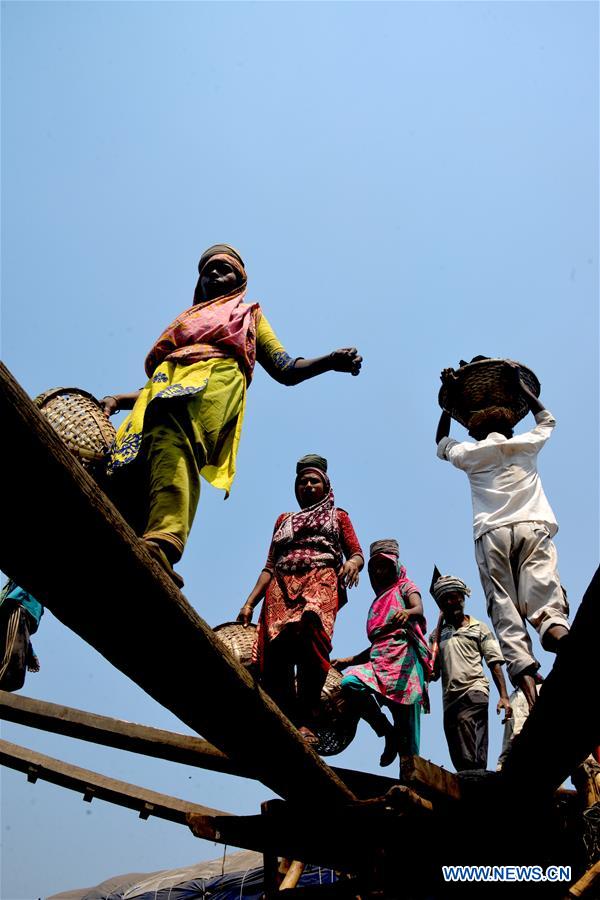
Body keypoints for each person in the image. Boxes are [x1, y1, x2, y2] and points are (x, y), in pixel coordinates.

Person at [101, 245, 362, 586]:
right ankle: (128, 536)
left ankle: (165, 541)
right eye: (206, 270)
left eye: (223, 269)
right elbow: (155, 388)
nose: (213, 273)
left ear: (240, 280)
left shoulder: (249, 316)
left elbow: (285, 368)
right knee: (129, 462)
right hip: (161, 390)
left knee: (175, 440)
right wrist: (118, 399)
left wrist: (329, 361)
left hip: (214, 383)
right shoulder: (188, 321)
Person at [435, 361, 570, 710]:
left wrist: (449, 401)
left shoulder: (470, 453)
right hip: (532, 524)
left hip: (491, 532)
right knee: (545, 597)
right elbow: (547, 420)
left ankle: (531, 696)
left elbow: (441, 442)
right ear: (509, 427)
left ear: (475, 431)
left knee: (505, 611)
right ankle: (561, 637)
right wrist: (521, 387)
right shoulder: (525, 444)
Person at [238, 454, 363, 744]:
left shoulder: (338, 516)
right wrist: (249, 603)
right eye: (302, 482)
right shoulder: (284, 520)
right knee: (278, 649)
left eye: (314, 481)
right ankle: (287, 717)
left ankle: (307, 719)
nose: (307, 486)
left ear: (325, 485)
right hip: (281, 585)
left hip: (321, 578)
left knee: (312, 634)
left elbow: (356, 553)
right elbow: (269, 566)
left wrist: (353, 564)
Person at [333, 540, 432, 767]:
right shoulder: (378, 601)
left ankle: (411, 779)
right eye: (376, 567)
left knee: (409, 733)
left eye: (384, 565)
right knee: (350, 683)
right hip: (381, 664)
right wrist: (349, 660)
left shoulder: (405, 587)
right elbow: (380, 645)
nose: (380, 571)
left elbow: (419, 609)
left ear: (394, 565)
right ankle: (387, 731)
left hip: (406, 666)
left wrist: (408, 613)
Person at [429, 572, 512, 772]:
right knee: (457, 741)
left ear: (462, 597)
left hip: (475, 690)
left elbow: (494, 662)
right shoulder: (437, 636)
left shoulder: (479, 628)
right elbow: (435, 673)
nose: (451, 602)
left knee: (464, 722)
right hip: (450, 698)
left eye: (454, 597)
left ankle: (473, 772)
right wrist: (428, 667)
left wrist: (503, 696)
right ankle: (473, 774)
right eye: (445, 599)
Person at [0, 580, 43, 692]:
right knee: (13, 669)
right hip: (18, 607)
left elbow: (19, 635)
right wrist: (11, 600)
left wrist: (30, 652)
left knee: (15, 673)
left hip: (23, 613)